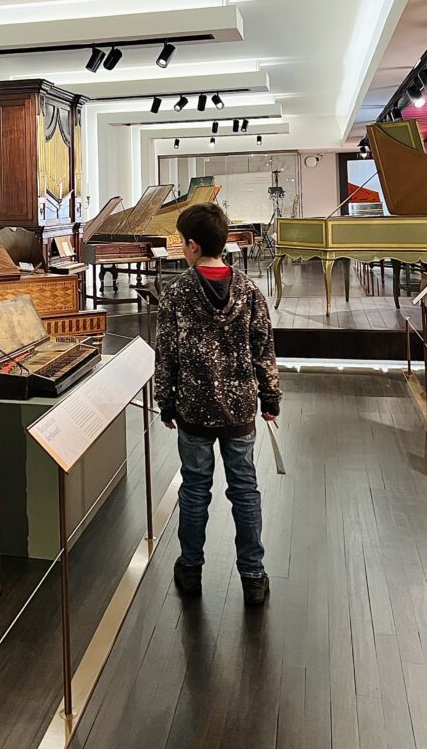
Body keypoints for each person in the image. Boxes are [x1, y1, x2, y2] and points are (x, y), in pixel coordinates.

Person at [154, 202, 281, 606]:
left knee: (194, 490)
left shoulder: (177, 292)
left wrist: (165, 400)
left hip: (193, 409)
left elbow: (166, 353)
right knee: (245, 490)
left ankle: (190, 569)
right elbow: (264, 348)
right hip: (240, 410)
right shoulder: (248, 289)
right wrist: (270, 397)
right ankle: (253, 576)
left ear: (193, 245)